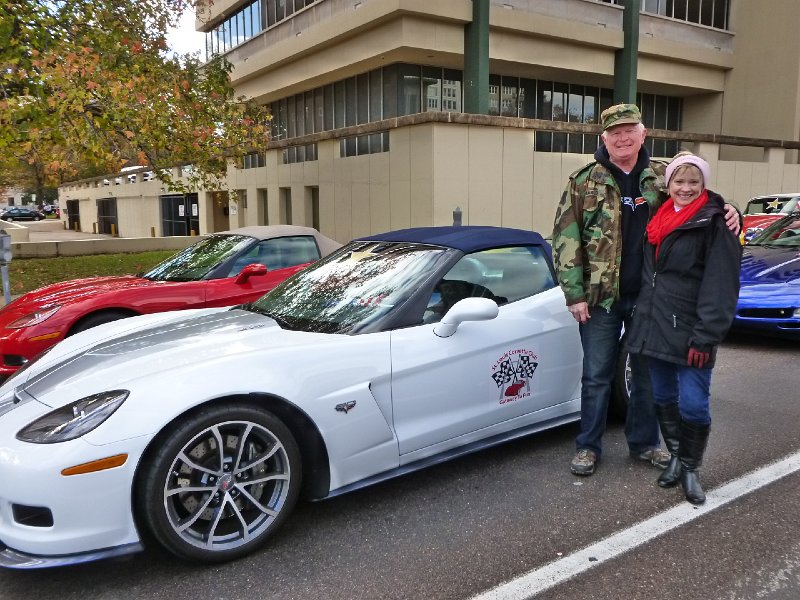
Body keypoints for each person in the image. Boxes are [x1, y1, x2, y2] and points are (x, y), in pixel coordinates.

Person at [552, 103, 740, 477]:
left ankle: (643, 444)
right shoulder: (583, 181)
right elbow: (565, 237)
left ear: (643, 134)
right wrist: (574, 294)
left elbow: (697, 198)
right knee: (596, 375)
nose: (622, 138)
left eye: (629, 131)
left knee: (646, 375)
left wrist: (731, 207)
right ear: (604, 138)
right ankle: (588, 447)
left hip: (650, 298)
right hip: (600, 297)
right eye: (615, 133)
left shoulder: (662, 176)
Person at [625, 152, 741, 504]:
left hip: (692, 330)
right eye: (679, 181)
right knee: (663, 397)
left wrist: (707, 335)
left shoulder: (716, 223)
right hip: (655, 323)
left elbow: (721, 285)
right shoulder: (658, 217)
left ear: (704, 185)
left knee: (694, 405)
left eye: (694, 182)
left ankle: (691, 468)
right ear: (669, 184)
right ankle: (676, 457)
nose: (686, 188)